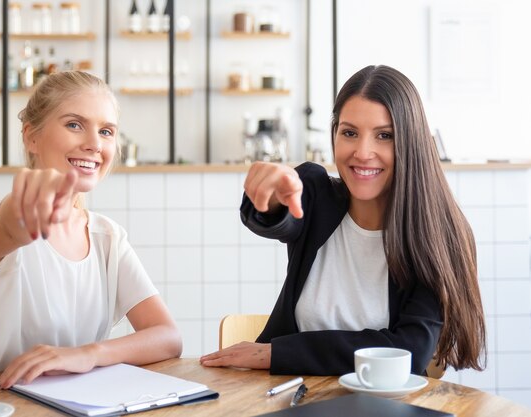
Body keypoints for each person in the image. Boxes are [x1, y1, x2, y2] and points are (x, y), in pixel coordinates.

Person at [200, 65, 486, 376]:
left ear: (411, 142)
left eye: (384, 136)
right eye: (349, 133)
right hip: (291, 397)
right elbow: (275, 215)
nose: (363, 152)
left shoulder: (439, 236)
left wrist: (276, 353)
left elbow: (408, 353)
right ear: (334, 134)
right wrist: (269, 195)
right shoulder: (316, 194)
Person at [0, 71, 182, 388]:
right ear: (31, 137)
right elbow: (9, 228)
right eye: (74, 125)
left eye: (106, 131)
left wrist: (87, 354)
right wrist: (22, 212)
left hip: (65, 399)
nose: (94, 144)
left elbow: (168, 336)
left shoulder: (108, 238)